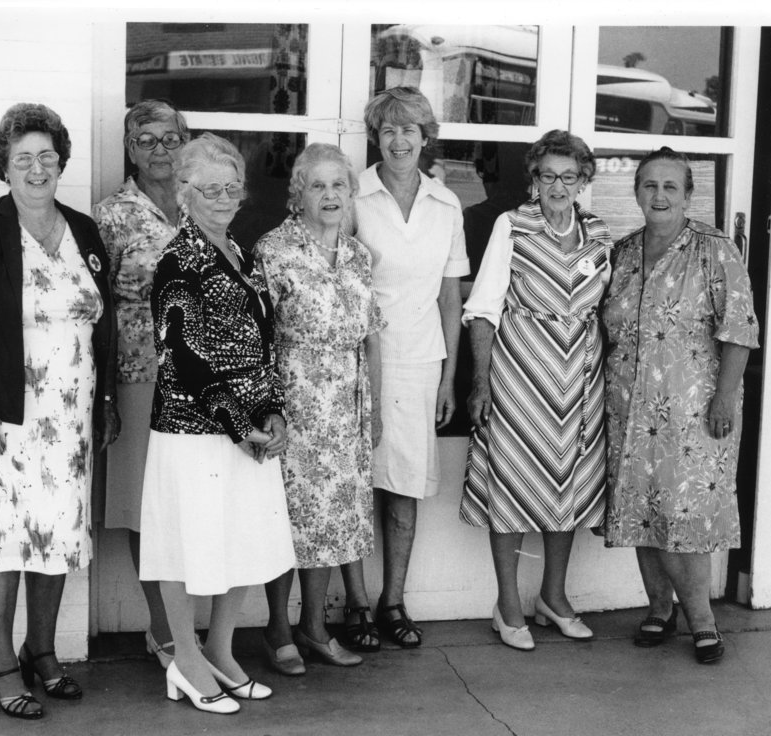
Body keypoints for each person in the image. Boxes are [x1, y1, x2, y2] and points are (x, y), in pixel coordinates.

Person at [0, 102, 119, 719]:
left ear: (60, 160)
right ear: (6, 166)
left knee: (59, 536)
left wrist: (104, 405)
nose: (37, 167)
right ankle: (1, 664)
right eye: (24, 158)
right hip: (5, 421)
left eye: (47, 156)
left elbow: (104, 325)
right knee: (4, 541)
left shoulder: (83, 231)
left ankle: (42, 652)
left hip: (69, 418)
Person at [138, 133, 295, 714]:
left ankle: (222, 654)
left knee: (245, 540)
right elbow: (181, 354)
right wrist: (239, 423)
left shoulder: (242, 253)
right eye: (210, 189)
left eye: (232, 187)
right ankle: (185, 661)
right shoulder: (177, 260)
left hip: (248, 427)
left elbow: (264, 343)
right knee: (186, 546)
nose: (225, 197)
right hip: (193, 429)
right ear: (185, 195)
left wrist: (272, 411)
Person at [602, 147, 759, 664]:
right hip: (629, 408)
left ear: (689, 195)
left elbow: (739, 329)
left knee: (683, 518)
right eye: (650, 185)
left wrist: (725, 396)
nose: (660, 195)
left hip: (694, 410)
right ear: (637, 193)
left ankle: (703, 622)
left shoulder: (715, 250)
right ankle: (658, 609)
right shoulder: (623, 252)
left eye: (671, 187)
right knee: (644, 511)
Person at [460, 129, 612, 651]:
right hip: (520, 373)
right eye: (547, 175)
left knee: (567, 489)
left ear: (585, 180)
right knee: (512, 486)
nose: (557, 186)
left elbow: (608, 312)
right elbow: (482, 309)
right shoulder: (513, 225)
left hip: (580, 381)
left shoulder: (600, 234)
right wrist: (480, 383)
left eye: (569, 176)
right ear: (534, 178)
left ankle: (553, 597)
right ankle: (507, 606)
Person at [257, 143, 385, 670]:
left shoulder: (357, 254)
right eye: (317, 185)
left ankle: (313, 627)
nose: (330, 195)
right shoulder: (274, 249)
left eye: (338, 185)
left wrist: (373, 411)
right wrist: (265, 409)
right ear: (298, 194)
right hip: (294, 403)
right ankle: (278, 630)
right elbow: (258, 338)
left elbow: (372, 335)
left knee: (331, 519)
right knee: (286, 518)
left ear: (351, 192)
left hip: (347, 405)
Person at [354, 86, 470, 648]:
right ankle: (353, 603)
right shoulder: (351, 195)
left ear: (426, 138)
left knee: (402, 489)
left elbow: (451, 299)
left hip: (419, 364)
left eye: (410, 130)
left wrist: (449, 376)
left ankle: (392, 601)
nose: (399, 141)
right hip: (354, 362)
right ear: (376, 137)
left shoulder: (446, 204)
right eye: (389, 130)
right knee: (349, 484)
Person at [92, 99, 189, 669]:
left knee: (186, 504)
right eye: (145, 140)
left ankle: (186, 624)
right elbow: (96, 313)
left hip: (201, 383)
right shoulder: (111, 215)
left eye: (169, 138)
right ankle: (163, 628)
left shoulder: (200, 201)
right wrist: (104, 395)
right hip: (138, 377)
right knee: (145, 508)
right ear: (129, 149)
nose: (159, 150)